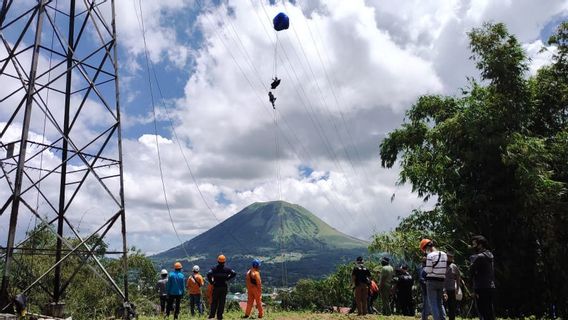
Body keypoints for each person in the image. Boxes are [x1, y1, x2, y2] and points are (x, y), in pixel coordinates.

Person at [421, 238, 448, 320]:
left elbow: (428, 270)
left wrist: (424, 268)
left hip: (432, 281)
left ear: (427, 248)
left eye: (424, 250)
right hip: (441, 281)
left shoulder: (430, 256)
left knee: (433, 303)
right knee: (440, 303)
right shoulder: (444, 254)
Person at [470, 235, 495, 320]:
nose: (473, 246)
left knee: (482, 311)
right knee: (489, 310)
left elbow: (471, 271)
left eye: (474, 244)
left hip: (481, 287)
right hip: (490, 285)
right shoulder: (490, 255)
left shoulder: (479, 257)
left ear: (480, 245)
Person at [207, 254, 237, 320]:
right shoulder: (227, 269)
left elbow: (208, 274)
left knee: (214, 302)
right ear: (224, 262)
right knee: (222, 302)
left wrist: (211, 282)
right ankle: (219, 317)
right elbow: (234, 273)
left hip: (216, 287)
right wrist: (228, 278)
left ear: (218, 261)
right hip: (224, 287)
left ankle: (212, 316)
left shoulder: (214, 268)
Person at [444, 252, 461, 320]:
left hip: (451, 289)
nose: (449, 258)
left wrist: (457, 288)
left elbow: (458, 277)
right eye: (448, 257)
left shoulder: (454, 266)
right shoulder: (442, 265)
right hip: (443, 289)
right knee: (443, 306)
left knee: (452, 306)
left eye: (450, 257)